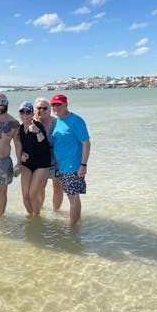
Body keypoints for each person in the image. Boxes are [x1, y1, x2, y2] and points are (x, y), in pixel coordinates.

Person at [50, 93, 91, 227]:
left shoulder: (76, 120)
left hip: (73, 165)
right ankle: (76, 222)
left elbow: (86, 143)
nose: (56, 107)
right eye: (54, 105)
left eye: (59, 104)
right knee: (71, 195)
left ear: (66, 104)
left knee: (73, 196)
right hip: (62, 165)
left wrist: (83, 165)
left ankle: (73, 228)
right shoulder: (59, 120)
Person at [17, 101, 51, 217]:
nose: (25, 114)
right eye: (22, 112)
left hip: (42, 164)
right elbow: (18, 146)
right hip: (27, 163)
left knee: (32, 194)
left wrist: (36, 131)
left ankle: (37, 218)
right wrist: (20, 156)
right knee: (25, 196)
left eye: (28, 112)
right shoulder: (20, 129)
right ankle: (31, 218)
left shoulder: (38, 125)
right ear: (19, 114)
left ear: (32, 114)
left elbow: (45, 145)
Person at [33, 97, 63, 212]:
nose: (42, 110)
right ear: (35, 110)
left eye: (45, 108)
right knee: (41, 187)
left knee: (57, 187)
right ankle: (41, 210)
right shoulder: (32, 123)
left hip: (57, 159)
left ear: (50, 109)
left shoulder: (57, 123)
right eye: (39, 108)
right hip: (40, 160)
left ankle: (56, 212)